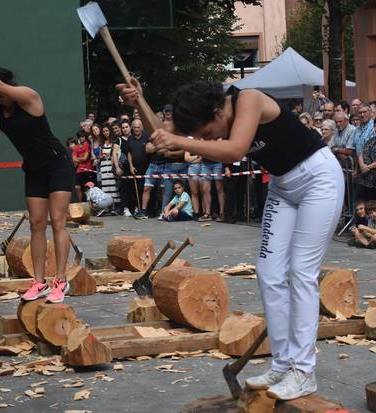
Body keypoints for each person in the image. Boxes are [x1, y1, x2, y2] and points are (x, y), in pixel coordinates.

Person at [118, 77, 343, 400]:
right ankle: (282, 363)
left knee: (301, 273)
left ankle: (304, 372)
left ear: (217, 111)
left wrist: (183, 142)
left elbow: (234, 149)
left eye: (209, 133)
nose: (211, 139)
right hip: (283, 185)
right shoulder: (212, 118)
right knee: (269, 273)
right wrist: (140, 100)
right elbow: (163, 139)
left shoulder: (248, 99)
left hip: (318, 179)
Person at [0, 51, 73, 303]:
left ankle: (61, 281)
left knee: (58, 221)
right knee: (36, 224)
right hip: (33, 168)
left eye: (0, 91)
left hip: (57, 164)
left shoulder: (29, 96)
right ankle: (39, 282)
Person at [199, 147, 226, 222]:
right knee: (205, 189)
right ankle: (207, 214)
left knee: (219, 189)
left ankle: (222, 213)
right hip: (205, 163)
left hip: (218, 162)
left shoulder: (218, 137)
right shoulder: (202, 137)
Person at [98, 124, 119, 214]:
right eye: (103, 131)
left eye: (107, 130)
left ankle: (115, 208)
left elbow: (117, 153)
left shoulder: (114, 141)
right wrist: (101, 156)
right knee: (106, 187)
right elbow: (99, 155)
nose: (105, 133)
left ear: (110, 131)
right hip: (103, 165)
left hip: (111, 165)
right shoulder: (102, 143)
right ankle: (107, 207)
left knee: (113, 186)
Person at [72, 132, 95, 202]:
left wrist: (77, 158)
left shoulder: (87, 145)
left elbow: (85, 158)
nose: (81, 138)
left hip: (88, 169)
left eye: (82, 137)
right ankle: (81, 205)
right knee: (77, 187)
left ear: (85, 137)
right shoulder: (76, 147)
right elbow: (73, 159)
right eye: (79, 137)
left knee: (88, 188)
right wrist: (78, 159)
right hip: (79, 170)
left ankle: (90, 206)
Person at [184, 147, 203, 219]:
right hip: (192, 168)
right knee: (194, 192)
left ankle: (205, 212)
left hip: (203, 167)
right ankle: (196, 212)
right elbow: (186, 158)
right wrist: (197, 156)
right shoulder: (190, 139)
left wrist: (192, 159)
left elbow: (202, 159)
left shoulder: (202, 140)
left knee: (203, 192)